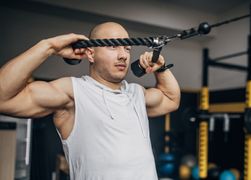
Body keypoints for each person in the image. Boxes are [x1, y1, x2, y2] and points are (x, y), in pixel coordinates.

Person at [0, 22, 180, 179]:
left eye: (127, 48)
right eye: (113, 46)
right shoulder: (73, 92)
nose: (123, 55)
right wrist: (48, 47)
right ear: (90, 54)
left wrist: (161, 69)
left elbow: (171, 99)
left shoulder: (136, 93)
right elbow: (3, 99)